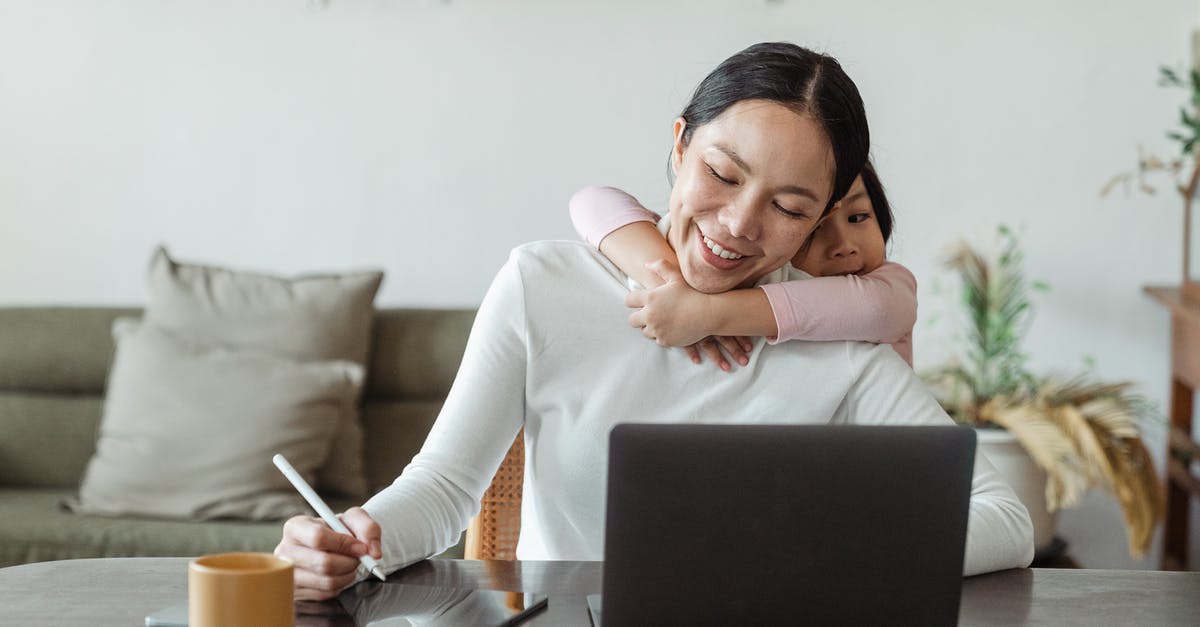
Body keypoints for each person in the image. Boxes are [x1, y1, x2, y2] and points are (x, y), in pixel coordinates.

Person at [275, 42, 1034, 601]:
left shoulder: (837, 341)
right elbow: (443, 489)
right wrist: (349, 536)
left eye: (789, 207)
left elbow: (1005, 518)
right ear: (679, 147)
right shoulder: (543, 285)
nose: (738, 224)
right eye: (722, 174)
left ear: (820, 220)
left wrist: (827, 548)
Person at [568, 160, 916, 369]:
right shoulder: (759, 275)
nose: (844, 246)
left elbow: (877, 309)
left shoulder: (890, 286)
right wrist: (669, 285)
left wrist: (706, 312)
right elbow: (592, 200)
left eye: (859, 217)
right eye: (816, 229)